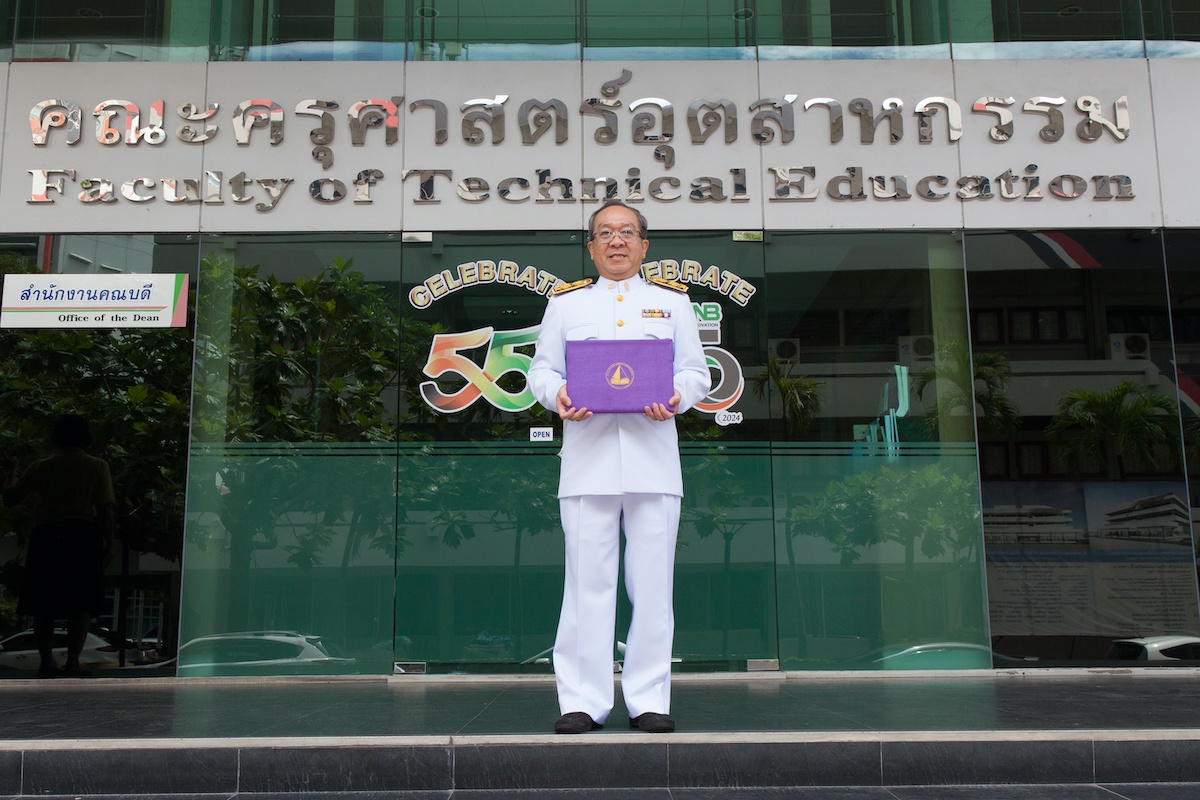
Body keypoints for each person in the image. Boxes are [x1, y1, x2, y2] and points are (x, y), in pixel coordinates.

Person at [528, 200, 710, 734]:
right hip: (588, 464)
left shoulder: (673, 306)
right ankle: (582, 701)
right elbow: (542, 371)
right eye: (605, 233)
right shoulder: (566, 307)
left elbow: (696, 373)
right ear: (591, 246)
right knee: (586, 587)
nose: (616, 241)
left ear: (644, 244)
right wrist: (559, 393)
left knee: (653, 588)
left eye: (626, 232)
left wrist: (676, 396)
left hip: (653, 462)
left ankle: (648, 699)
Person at [3, 414, 115, 677]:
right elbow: (106, 508)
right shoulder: (97, 466)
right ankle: (73, 661)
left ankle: (46, 661)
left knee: (44, 603)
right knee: (81, 602)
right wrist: (109, 543)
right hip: (83, 535)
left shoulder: (41, 467)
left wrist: (10, 470)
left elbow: (11, 498)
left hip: (47, 536)